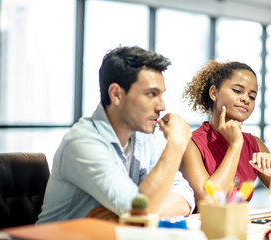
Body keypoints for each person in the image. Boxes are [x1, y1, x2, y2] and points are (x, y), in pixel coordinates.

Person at [37, 46, 195, 223]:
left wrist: (121, 216)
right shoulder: (83, 142)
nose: (161, 106)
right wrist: (175, 144)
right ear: (116, 94)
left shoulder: (143, 138)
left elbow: (185, 197)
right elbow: (141, 210)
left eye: (161, 95)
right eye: (151, 94)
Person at [180, 60, 271, 208]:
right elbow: (209, 201)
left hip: (239, 226)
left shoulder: (254, 144)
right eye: (237, 91)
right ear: (213, 93)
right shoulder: (190, 143)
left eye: (252, 96)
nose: (245, 99)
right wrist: (235, 145)